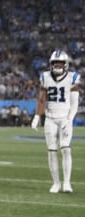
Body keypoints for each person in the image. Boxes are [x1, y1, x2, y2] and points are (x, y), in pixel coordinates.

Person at [31, 50, 81, 193]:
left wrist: (69, 119)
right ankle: (56, 183)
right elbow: (42, 99)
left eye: (60, 63)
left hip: (64, 117)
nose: (57, 65)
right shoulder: (45, 77)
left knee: (66, 149)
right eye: (55, 63)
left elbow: (74, 102)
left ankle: (67, 183)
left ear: (66, 64)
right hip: (50, 118)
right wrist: (36, 116)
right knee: (52, 151)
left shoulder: (72, 77)